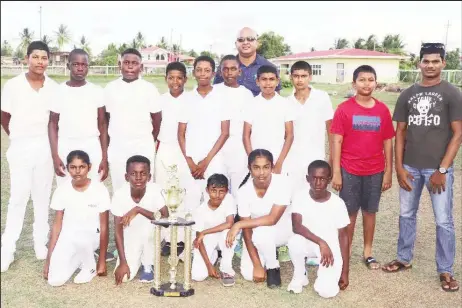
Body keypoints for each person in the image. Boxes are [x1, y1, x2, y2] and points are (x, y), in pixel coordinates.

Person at [382, 43, 462, 292]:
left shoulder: (452, 93)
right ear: (419, 63)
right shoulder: (407, 94)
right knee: (406, 214)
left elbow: (458, 134)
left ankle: (446, 269)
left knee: (443, 221)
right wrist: (399, 169)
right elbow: (400, 132)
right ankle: (404, 258)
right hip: (410, 168)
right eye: (426, 61)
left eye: (435, 61)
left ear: (443, 64)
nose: (430, 65)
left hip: (438, 170)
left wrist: (442, 170)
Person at [1, 41, 59, 272]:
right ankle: (7, 250)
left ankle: (40, 244)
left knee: (42, 196)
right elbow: (4, 116)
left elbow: (55, 121)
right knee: (18, 198)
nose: (40, 62)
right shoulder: (13, 85)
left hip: (44, 147)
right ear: (27, 59)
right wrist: (17, 136)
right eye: (35, 57)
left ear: (48, 60)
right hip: (20, 146)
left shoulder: (54, 87)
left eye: (44, 58)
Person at [330, 65, 395, 270]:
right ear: (354, 83)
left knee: (370, 212)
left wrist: (388, 173)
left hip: (375, 171)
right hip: (349, 170)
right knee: (349, 213)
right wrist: (337, 172)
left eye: (370, 79)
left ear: (376, 82)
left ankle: (368, 252)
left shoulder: (382, 110)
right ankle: (345, 252)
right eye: (362, 80)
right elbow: (336, 142)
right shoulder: (344, 109)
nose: (366, 84)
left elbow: (388, 143)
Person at [226, 149, 293, 289]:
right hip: (256, 233)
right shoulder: (243, 191)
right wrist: (256, 265)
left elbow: (273, 219)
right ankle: (266, 253)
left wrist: (238, 225)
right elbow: (247, 230)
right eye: (256, 167)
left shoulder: (283, 183)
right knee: (249, 274)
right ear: (249, 168)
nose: (261, 173)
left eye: (266, 167)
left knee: (263, 232)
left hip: (284, 230)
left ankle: (272, 266)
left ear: (272, 167)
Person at [44, 150, 110, 286]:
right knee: (55, 280)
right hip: (69, 236)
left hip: (91, 236)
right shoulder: (62, 190)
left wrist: (102, 261)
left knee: (82, 240)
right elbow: (57, 226)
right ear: (67, 168)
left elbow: (104, 226)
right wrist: (48, 261)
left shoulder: (100, 189)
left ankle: (89, 266)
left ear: (89, 167)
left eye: (82, 167)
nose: (77, 171)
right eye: (73, 167)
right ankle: (79, 258)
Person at [287, 160, 350, 298]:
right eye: (314, 178)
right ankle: (300, 275)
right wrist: (321, 242)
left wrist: (345, 271)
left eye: (322, 179)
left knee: (326, 292)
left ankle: (325, 275)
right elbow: (296, 226)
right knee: (294, 242)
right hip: (310, 242)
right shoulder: (300, 196)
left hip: (330, 248)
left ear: (329, 179)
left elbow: (344, 237)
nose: (317, 183)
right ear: (307, 179)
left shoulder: (338, 203)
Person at [48, 48, 109, 186]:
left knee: (93, 188)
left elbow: (103, 125)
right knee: (65, 188)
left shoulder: (97, 91)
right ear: (68, 66)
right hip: (66, 144)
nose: (80, 68)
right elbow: (52, 124)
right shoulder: (58, 91)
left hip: (91, 144)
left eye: (84, 65)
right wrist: (55, 156)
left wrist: (104, 158)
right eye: (76, 64)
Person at [155, 61, 198, 256]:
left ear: (185, 79)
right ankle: (165, 236)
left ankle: (180, 238)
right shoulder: (159, 100)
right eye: (171, 78)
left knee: (182, 191)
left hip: (185, 150)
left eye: (179, 78)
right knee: (164, 190)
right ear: (166, 79)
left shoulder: (191, 99)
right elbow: (155, 127)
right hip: (164, 148)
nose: (175, 82)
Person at [104, 48, 162, 192]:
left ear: (141, 67)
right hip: (118, 146)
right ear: (120, 65)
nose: (130, 66)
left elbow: (157, 120)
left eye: (134, 63)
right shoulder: (110, 88)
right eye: (126, 62)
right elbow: (106, 119)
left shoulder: (149, 89)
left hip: (142, 145)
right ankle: (121, 214)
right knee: (120, 186)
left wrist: (147, 138)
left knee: (144, 187)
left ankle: (144, 214)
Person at [178, 55, 230, 199]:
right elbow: (181, 133)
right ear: (193, 72)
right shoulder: (186, 98)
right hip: (191, 160)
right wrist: (190, 162)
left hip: (214, 159)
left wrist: (206, 162)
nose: (202, 74)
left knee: (215, 201)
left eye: (207, 70)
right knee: (189, 204)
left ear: (213, 74)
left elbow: (225, 133)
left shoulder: (222, 97)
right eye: (199, 70)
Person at [112, 155, 168, 285]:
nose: (138, 178)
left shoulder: (156, 190)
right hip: (131, 235)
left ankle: (148, 264)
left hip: (152, 234)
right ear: (126, 177)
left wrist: (138, 209)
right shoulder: (119, 195)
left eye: (143, 174)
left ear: (149, 177)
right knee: (125, 277)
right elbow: (118, 231)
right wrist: (123, 262)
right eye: (133, 174)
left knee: (149, 230)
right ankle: (130, 256)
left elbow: (165, 220)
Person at [286, 61, 334, 194]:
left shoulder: (321, 97)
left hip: (316, 156)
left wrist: (332, 159)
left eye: (304, 76)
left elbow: (331, 129)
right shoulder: (287, 102)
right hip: (293, 160)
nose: (300, 80)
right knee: (294, 197)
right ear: (291, 77)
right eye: (296, 76)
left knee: (315, 196)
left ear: (310, 77)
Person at [243, 65, 294, 176]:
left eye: (271, 79)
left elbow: (289, 135)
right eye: (264, 79)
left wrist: (279, 163)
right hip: (257, 159)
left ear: (277, 81)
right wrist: (253, 162)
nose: (268, 83)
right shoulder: (251, 104)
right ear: (257, 81)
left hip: (279, 159)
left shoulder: (285, 104)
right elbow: (246, 135)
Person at [214, 55, 254, 197]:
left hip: (239, 150)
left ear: (240, 71)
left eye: (233, 69)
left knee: (238, 191)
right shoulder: (213, 91)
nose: (229, 73)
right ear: (220, 72)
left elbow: (249, 128)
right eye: (225, 69)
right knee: (218, 190)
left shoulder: (247, 94)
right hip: (217, 150)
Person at [191, 174, 237, 287]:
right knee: (198, 276)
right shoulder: (199, 211)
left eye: (221, 191)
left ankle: (226, 268)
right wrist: (208, 266)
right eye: (213, 190)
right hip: (208, 239)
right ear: (207, 190)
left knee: (229, 232)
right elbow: (199, 239)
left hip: (223, 235)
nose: (217, 195)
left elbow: (229, 223)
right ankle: (213, 256)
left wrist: (204, 232)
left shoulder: (229, 199)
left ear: (227, 191)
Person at [213, 27, 281, 96]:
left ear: (257, 43)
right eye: (241, 40)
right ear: (236, 44)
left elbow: (275, 98)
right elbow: (216, 93)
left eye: (250, 39)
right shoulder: (224, 68)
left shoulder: (269, 67)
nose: (245, 42)